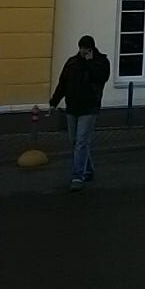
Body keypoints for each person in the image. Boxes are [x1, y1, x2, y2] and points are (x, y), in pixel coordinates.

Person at [49, 35, 111, 191]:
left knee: (82, 141)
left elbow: (101, 77)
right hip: (72, 107)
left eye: (86, 48)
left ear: (92, 48)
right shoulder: (72, 63)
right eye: (81, 48)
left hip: (89, 108)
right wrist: (53, 103)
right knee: (75, 141)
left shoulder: (100, 62)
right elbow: (62, 83)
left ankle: (77, 176)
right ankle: (88, 170)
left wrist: (89, 63)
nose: (83, 51)